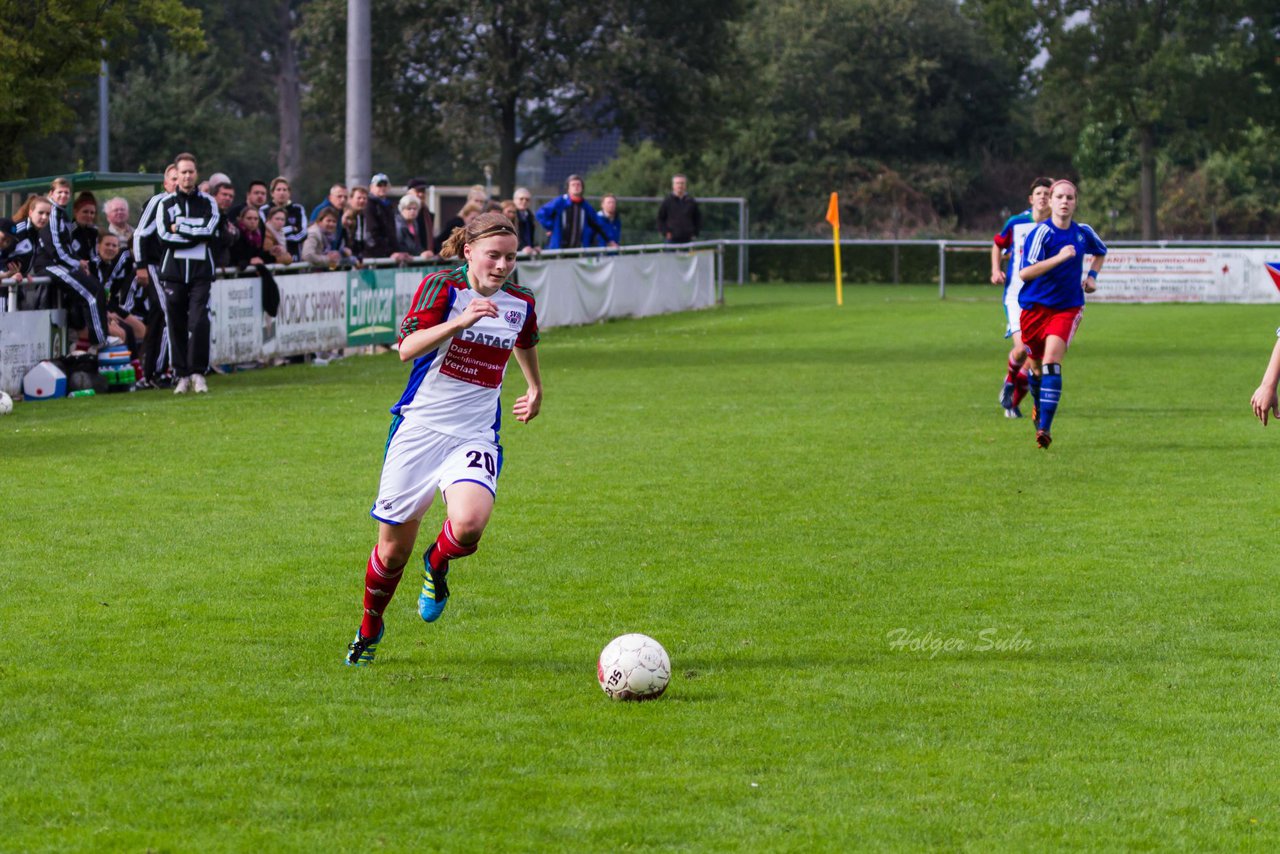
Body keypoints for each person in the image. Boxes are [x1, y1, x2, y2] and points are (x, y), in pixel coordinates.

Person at [344, 211, 543, 666]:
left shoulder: (520, 300)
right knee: (392, 553)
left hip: (474, 433)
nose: (502, 265)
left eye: (510, 257)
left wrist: (534, 387)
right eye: (493, 255)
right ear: (468, 250)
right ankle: (370, 625)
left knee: (470, 525)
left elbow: (524, 338)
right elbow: (406, 348)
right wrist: (460, 322)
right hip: (418, 431)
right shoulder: (443, 287)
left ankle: (437, 562)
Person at [1017, 179, 1107, 449]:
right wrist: (1060, 257)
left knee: (1052, 362)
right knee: (1034, 367)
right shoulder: (1041, 234)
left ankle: (1044, 428)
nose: (1065, 201)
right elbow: (1025, 273)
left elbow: (1101, 252)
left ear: (1075, 202)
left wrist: (1091, 276)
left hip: (1067, 307)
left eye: (1070, 197)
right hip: (1035, 309)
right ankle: (1037, 404)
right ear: (1051, 202)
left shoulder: (1083, 232)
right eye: (1060, 197)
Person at [158, 152, 220, 395]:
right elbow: (164, 236)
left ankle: (198, 373)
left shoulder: (208, 202)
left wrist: (182, 227)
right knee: (175, 323)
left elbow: (210, 231)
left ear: (196, 174)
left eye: (190, 172)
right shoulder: (165, 203)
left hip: (201, 272)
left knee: (199, 321)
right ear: (176, 175)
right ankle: (181, 374)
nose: (186, 176)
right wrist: (194, 232)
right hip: (173, 272)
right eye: (182, 172)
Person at [992, 178, 1053, 418]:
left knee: (1036, 358)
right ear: (1031, 198)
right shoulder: (1016, 223)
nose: (1043, 197)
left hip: (1046, 299)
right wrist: (996, 270)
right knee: (1022, 349)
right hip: (1016, 296)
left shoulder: (1057, 227)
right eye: (1039, 193)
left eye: (1048, 193)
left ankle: (1012, 401)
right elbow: (998, 244)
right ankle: (1010, 380)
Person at [36, 178, 112, 351]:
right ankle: (99, 341)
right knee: (90, 294)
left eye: (66, 193)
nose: (63, 195)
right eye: (59, 192)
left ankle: (98, 340)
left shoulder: (62, 214)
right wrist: (76, 263)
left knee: (96, 288)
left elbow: (66, 246)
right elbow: (55, 248)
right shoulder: (53, 213)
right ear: (51, 194)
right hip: (49, 265)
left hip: (62, 263)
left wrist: (78, 262)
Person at [133, 164, 179, 387]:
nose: (178, 183)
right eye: (173, 179)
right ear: (165, 183)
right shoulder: (158, 201)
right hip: (154, 265)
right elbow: (140, 234)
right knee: (166, 311)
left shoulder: (185, 204)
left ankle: (154, 370)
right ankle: (159, 371)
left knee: (162, 316)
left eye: (181, 178)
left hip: (174, 268)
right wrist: (141, 265)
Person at [91, 232, 145, 350]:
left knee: (141, 330)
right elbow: (104, 287)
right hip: (101, 305)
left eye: (114, 246)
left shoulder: (108, 263)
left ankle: (135, 364)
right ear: (98, 246)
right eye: (107, 245)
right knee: (124, 332)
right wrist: (107, 312)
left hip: (108, 303)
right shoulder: (95, 265)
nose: (111, 248)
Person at [536, 175, 614, 250]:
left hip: (578, 249)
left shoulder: (585, 206)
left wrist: (609, 240)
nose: (576, 187)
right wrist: (552, 227)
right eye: (573, 185)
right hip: (558, 249)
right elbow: (540, 214)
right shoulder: (560, 202)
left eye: (578, 185)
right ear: (568, 188)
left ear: (582, 188)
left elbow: (598, 224)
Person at [259, 176, 307, 259]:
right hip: (272, 258)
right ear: (272, 193)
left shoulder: (298, 209)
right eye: (278, 189)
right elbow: (267, 234)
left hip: (294, 257)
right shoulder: (264, 210)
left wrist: (280, 237)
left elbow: (303, 234)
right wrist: (291, 228)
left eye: (285, 190)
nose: (282, 193)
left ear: (289, 193)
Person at [657, 173, 701, 244]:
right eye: (677, 183)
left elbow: (697, 219)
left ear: (685, 185)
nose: (680, 186)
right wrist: (666, 233)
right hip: (671, 240)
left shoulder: (691, 201)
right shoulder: (667, 201)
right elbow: (660, 219)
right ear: (673, 185)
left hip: (688, 240)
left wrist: (695, 233)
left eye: (682, 183)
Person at [364, 173, 399, 259]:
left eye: (385, 185)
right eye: (379, 185)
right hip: (375, 254)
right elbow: (372, 231)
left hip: (389, 253)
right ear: (371, 187)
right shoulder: (369, 205)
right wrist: (387, 251)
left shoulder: (389, 205)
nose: (382, 188)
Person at [396, 194, 434, 261]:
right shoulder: (398, 224)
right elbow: (406, 245)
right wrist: (421, 253)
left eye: (415, 209)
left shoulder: (415, 224)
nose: (412, 211)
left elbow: (417, 244)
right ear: (402, 209)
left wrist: (424, 252)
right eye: (409, 208)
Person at [406, 177, 436, 257]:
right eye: (418, 191)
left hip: (426, 259)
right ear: (409, 192)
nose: (421, 194)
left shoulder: (428, 215)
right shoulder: (400, 214)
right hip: (409, 259)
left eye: (423, 191)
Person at [71, 192, 99, 262]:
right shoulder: (69, 231)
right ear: (75, 212)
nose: (89, 215)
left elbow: (95, 255)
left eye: (92, 213)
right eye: (85, 212)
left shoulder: (94, 232)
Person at [343, 186, 369, 261]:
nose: (362, 201)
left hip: (357, 257)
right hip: (342, 259)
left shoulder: (362, 216)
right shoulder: (345, 215)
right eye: (359, 198)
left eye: (364, 198)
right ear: (350, 199)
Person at [511, 187, 539, 254]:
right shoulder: (510, 216)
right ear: (514, 200)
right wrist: (522, 247)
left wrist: (535, 246)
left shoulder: (530, 216)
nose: (524, 201)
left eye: (527, 199)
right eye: (521, 199)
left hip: (528, 253)